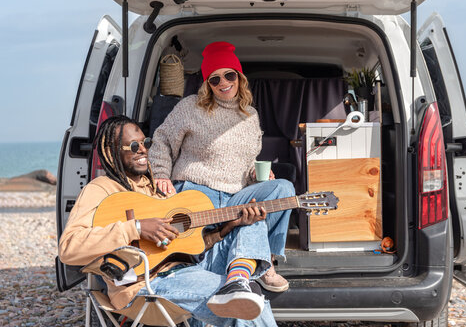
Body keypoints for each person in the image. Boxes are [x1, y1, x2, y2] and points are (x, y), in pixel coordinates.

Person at [58, 115, 278, 326]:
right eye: (134, 146)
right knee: (246, 305)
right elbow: (69, 248)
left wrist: (228, 228)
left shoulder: (157, 190)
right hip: (147, 282)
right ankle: (236, 286)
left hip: (186, 268)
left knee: (253, 223)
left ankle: (237, 279)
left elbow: (183, 245)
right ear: (111, 151)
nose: (143, 149)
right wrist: (135, 228)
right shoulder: (101, 189)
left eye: (145, 142)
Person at [149, 41, 294, 293]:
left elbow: (248, 164)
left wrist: (257, 176)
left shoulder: (250, 116)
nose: (223, 82)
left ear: (239, 77)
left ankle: (266, 261)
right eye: (214, 79)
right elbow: (161, 140)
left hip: (235, 195)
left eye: (229, 75)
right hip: (196, 191)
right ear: (207, 84)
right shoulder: (190, 107)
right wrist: (161, 174)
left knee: (283, 188)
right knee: (212, 233)